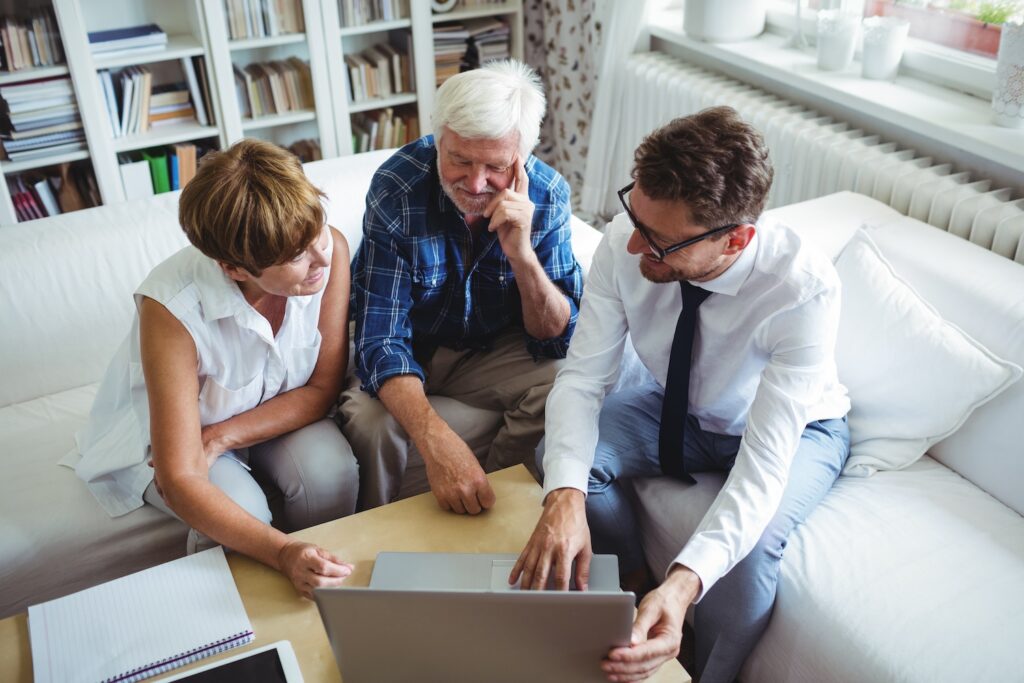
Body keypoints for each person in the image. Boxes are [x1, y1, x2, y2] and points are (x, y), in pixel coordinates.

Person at [511, 107, 851, 683]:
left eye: (661, 242)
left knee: (746, 557)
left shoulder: (802, 290)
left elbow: (764, 466)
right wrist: (565, 496)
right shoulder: (626, 240)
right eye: (635, 216)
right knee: (559, 464)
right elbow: (583, 378)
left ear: (735, 239)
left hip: (793, 429)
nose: (633, 245)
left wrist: (687, 577)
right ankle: (631, 584)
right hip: (679, 409)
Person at [67, 139, 359, 599]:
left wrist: (222, 436)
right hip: (164, 441)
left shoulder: (330, 252)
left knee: (332, 471)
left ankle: (334, 593)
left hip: (266, 413)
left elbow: (322, 388)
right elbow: (180, 476)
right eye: (296, 256)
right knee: (241, 510)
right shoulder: (171, 308)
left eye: (318, 232)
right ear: (234, 268)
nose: (322, 258)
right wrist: (283, 553)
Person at [339, 59, 583, 514]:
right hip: (413, 346)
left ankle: (496, 505)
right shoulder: (397, 187)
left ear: (522, 157)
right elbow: (381, 338)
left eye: (495, 166)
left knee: (565, 379)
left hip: (490, 353)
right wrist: (437, 441)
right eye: (459, 159)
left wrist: (523, 257)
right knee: (372, 423)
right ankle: (374, 530)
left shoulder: (548, 194)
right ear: (439, 139)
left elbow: (558, 337)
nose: (475, 183)